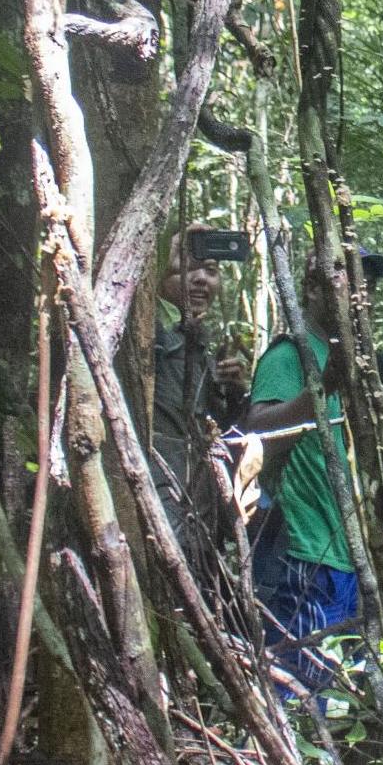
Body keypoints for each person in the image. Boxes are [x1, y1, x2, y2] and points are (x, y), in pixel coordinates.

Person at [240, 249, 360, 693]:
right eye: (341, 281)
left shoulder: (349, 356)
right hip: (306, 551)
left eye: (361, 283)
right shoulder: (291, 353)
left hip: (346, 554)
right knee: (297, 690)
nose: (355, 292)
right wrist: (320, 389)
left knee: (336, 688)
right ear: (312, 289)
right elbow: (259, 431)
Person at [148, 226, 251, 571]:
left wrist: (234, 394)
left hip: (198, 521)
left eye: (211, 269)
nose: (202, 280)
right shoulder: (149, 332)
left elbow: (214, 436)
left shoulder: (202, 348)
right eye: (188, 267)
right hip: (160, 512)